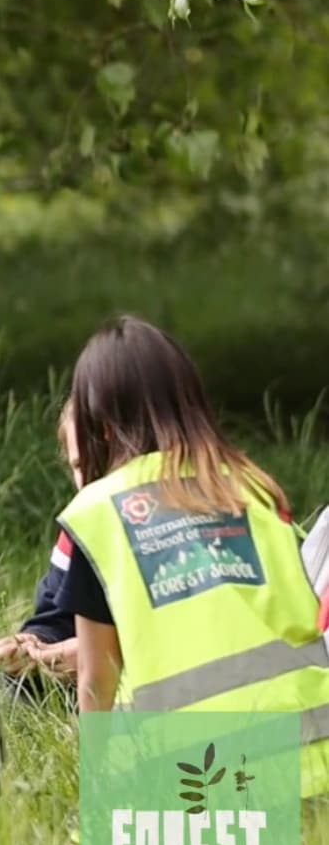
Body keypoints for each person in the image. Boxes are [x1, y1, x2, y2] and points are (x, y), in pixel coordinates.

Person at [54, 317, 329, 795]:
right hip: (313, 769)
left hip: (188, 788)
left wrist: (94, 797)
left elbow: (96, 681)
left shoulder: (99, 516)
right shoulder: (252, 489)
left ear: (96, 428)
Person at [0, 399, 82, 698]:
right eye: (81, 466)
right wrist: (30, 644)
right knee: (17, 688)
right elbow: (57, 616)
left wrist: (95, 651)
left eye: (107, 464)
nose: (94, 480)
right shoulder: (80, 528)